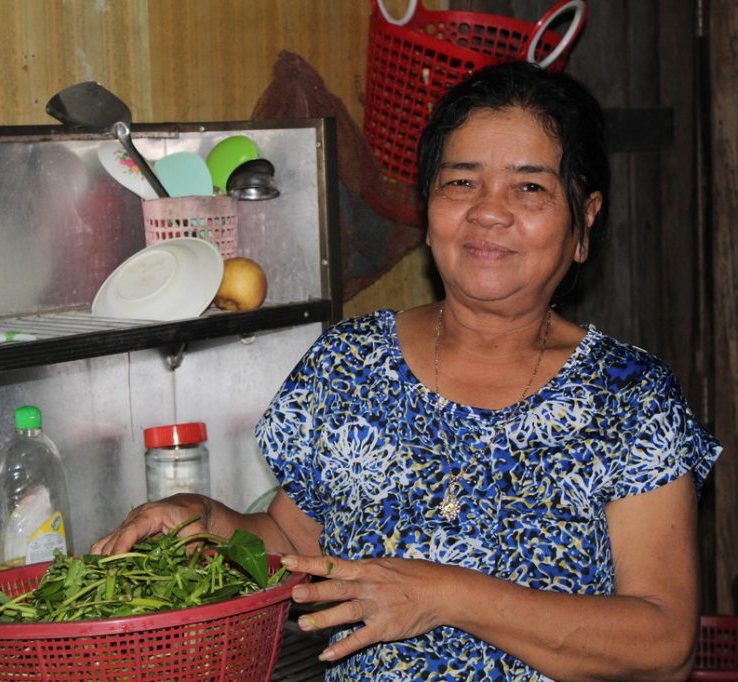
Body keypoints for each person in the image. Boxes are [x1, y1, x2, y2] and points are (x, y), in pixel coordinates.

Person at [91, 61, 722, 680]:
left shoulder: (630, 397)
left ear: (584, 221)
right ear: (429, 210)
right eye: (461, 182)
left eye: (529, 187)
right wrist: (205, 520)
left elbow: (663, 644)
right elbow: (292, 537)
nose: (488, 211)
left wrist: (445, 595)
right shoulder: (351, 363)